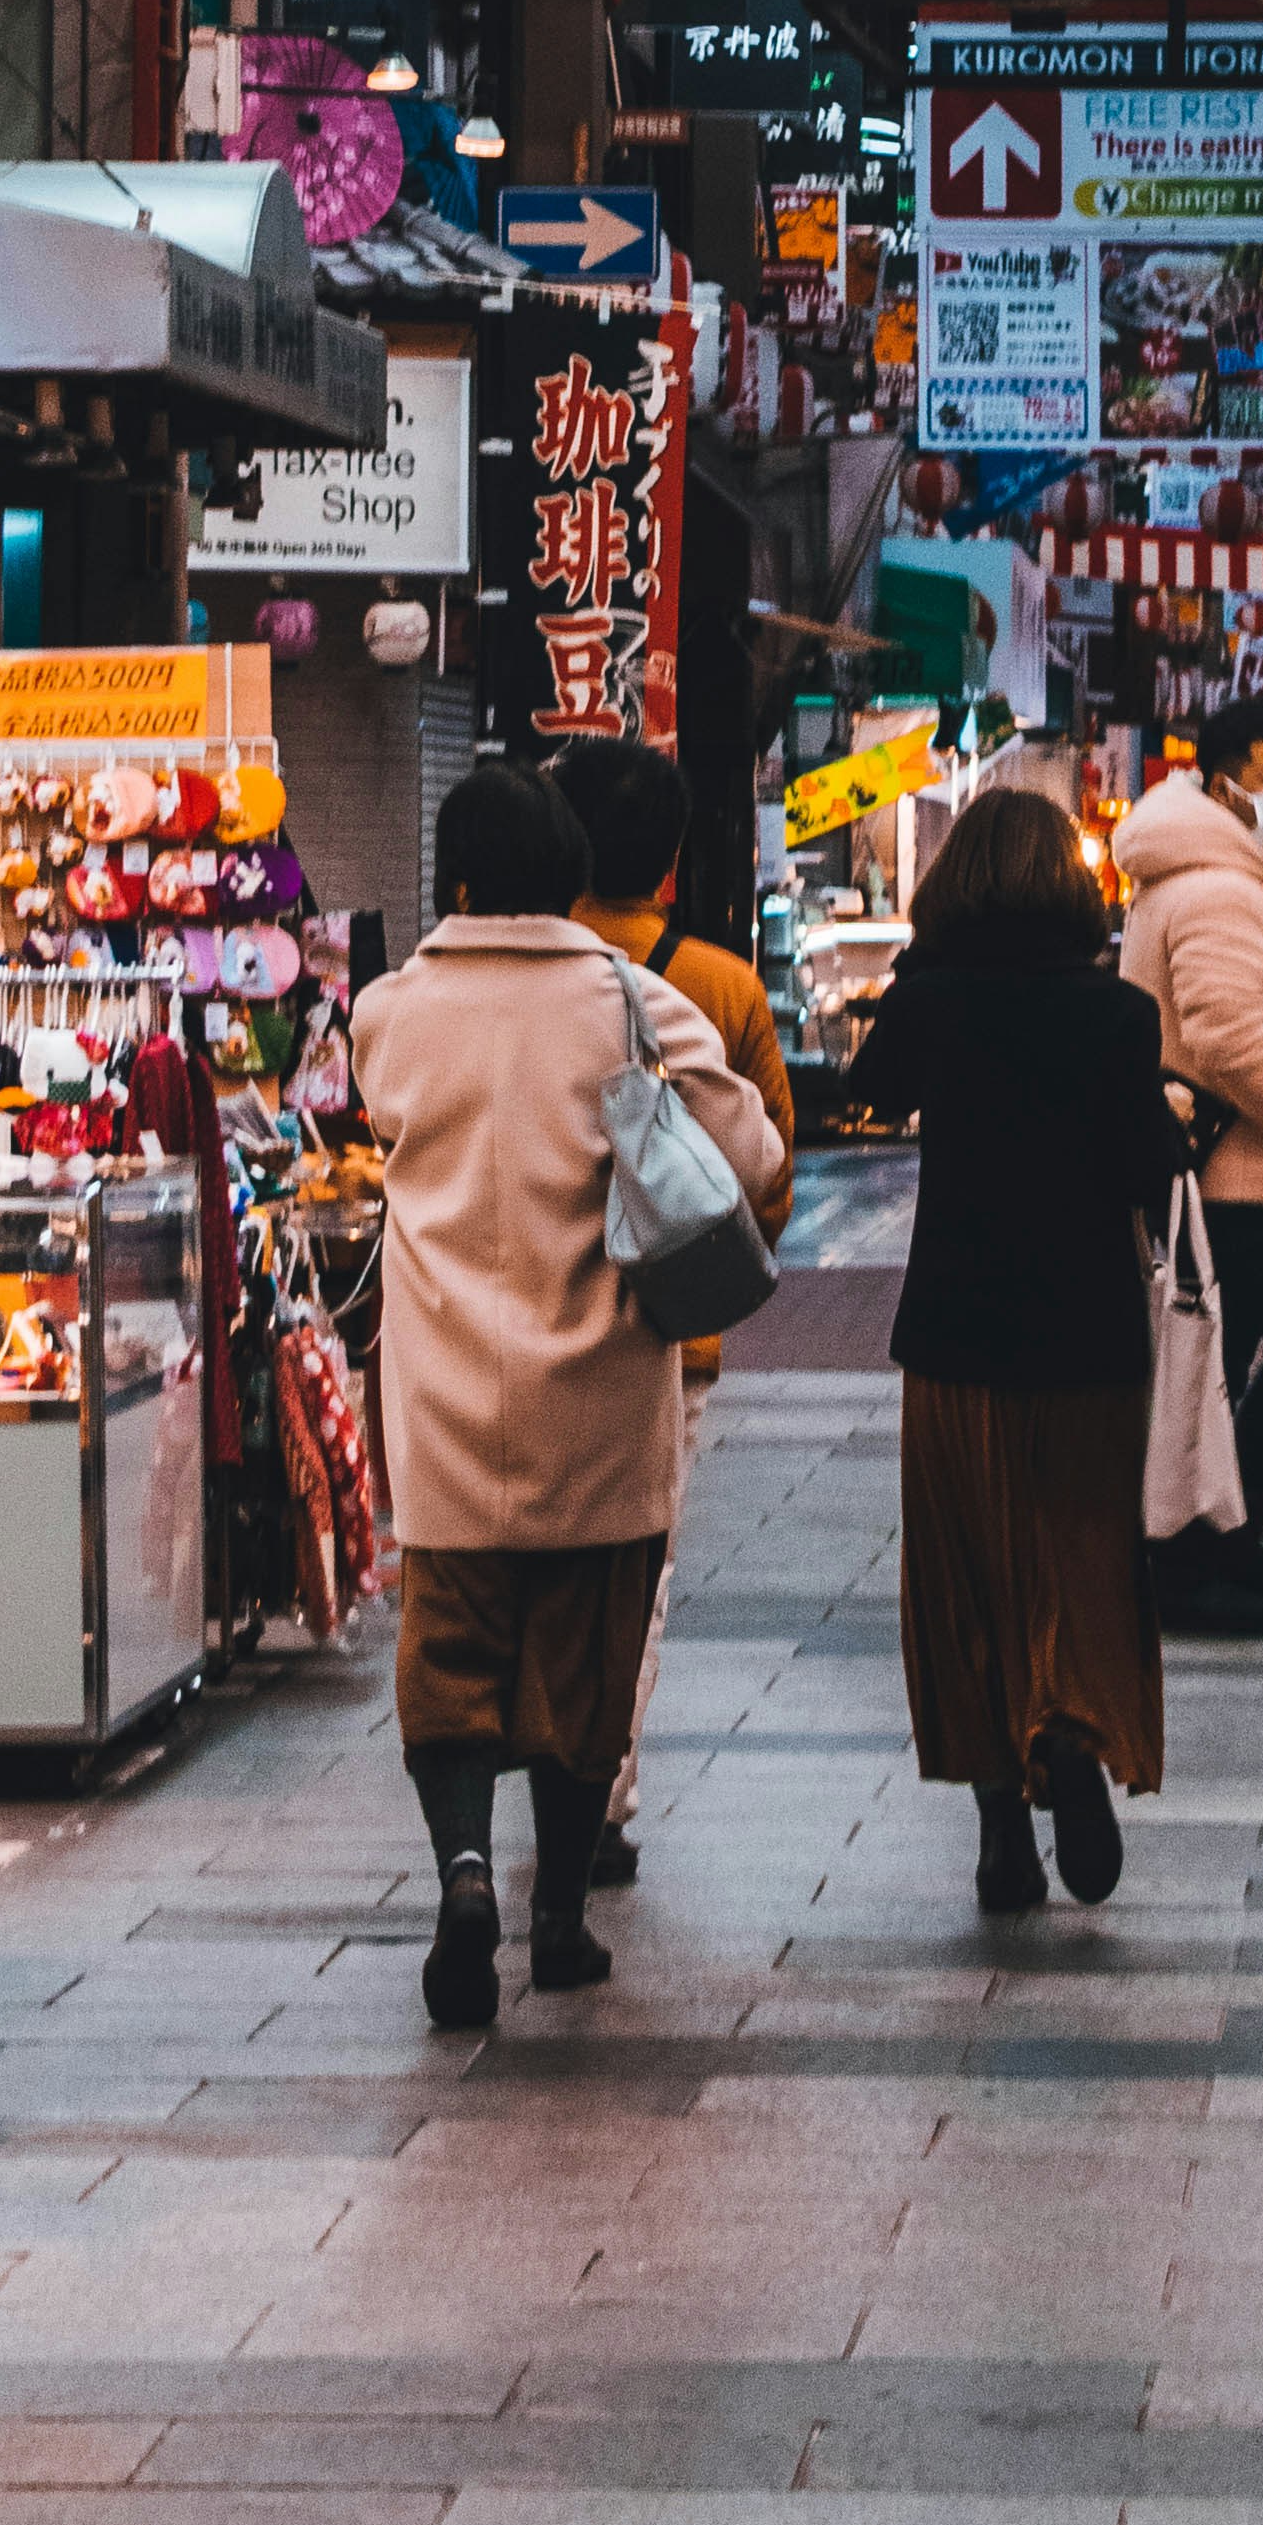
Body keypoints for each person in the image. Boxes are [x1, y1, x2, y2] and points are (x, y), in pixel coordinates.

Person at [350, 748, 784, 2026]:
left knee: (452, 1651)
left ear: (459, 873)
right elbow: (750, 1147)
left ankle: (466, 1875)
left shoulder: (390, 1011)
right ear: (574, 874)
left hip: (442, 1398)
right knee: (586, 1662)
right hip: (598, 1390)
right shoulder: (636, 1004)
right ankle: (557, 1918)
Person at [849, 785, 1183, 1912]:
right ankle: (1074, 1732)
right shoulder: (1116, 1012)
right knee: (1081, 1553)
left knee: (966, 1568)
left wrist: (916, 982)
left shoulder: (933, 999)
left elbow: (868, 1094)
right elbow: (1151, 1166)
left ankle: (1001, 1819)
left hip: (954, 1333)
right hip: (1090, 1336)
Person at [560, 732, 797, 1890]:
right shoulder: (721, 983)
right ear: (672, 860)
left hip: (516, 1318)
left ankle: (521, 1770)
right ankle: (600, 1789)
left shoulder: (516, 974)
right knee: (635, 1566)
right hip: (670, 1335)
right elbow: (771, 1172)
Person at [1118, 684, 1263, 1639]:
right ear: (1226, 785)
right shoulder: (1216, 886)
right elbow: (1224, 1038)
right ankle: (1183, 1561)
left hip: (1254, 1180)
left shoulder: (1227, 872)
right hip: (1232, 1185)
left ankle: (1226, 1536)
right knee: (1210, 1377)